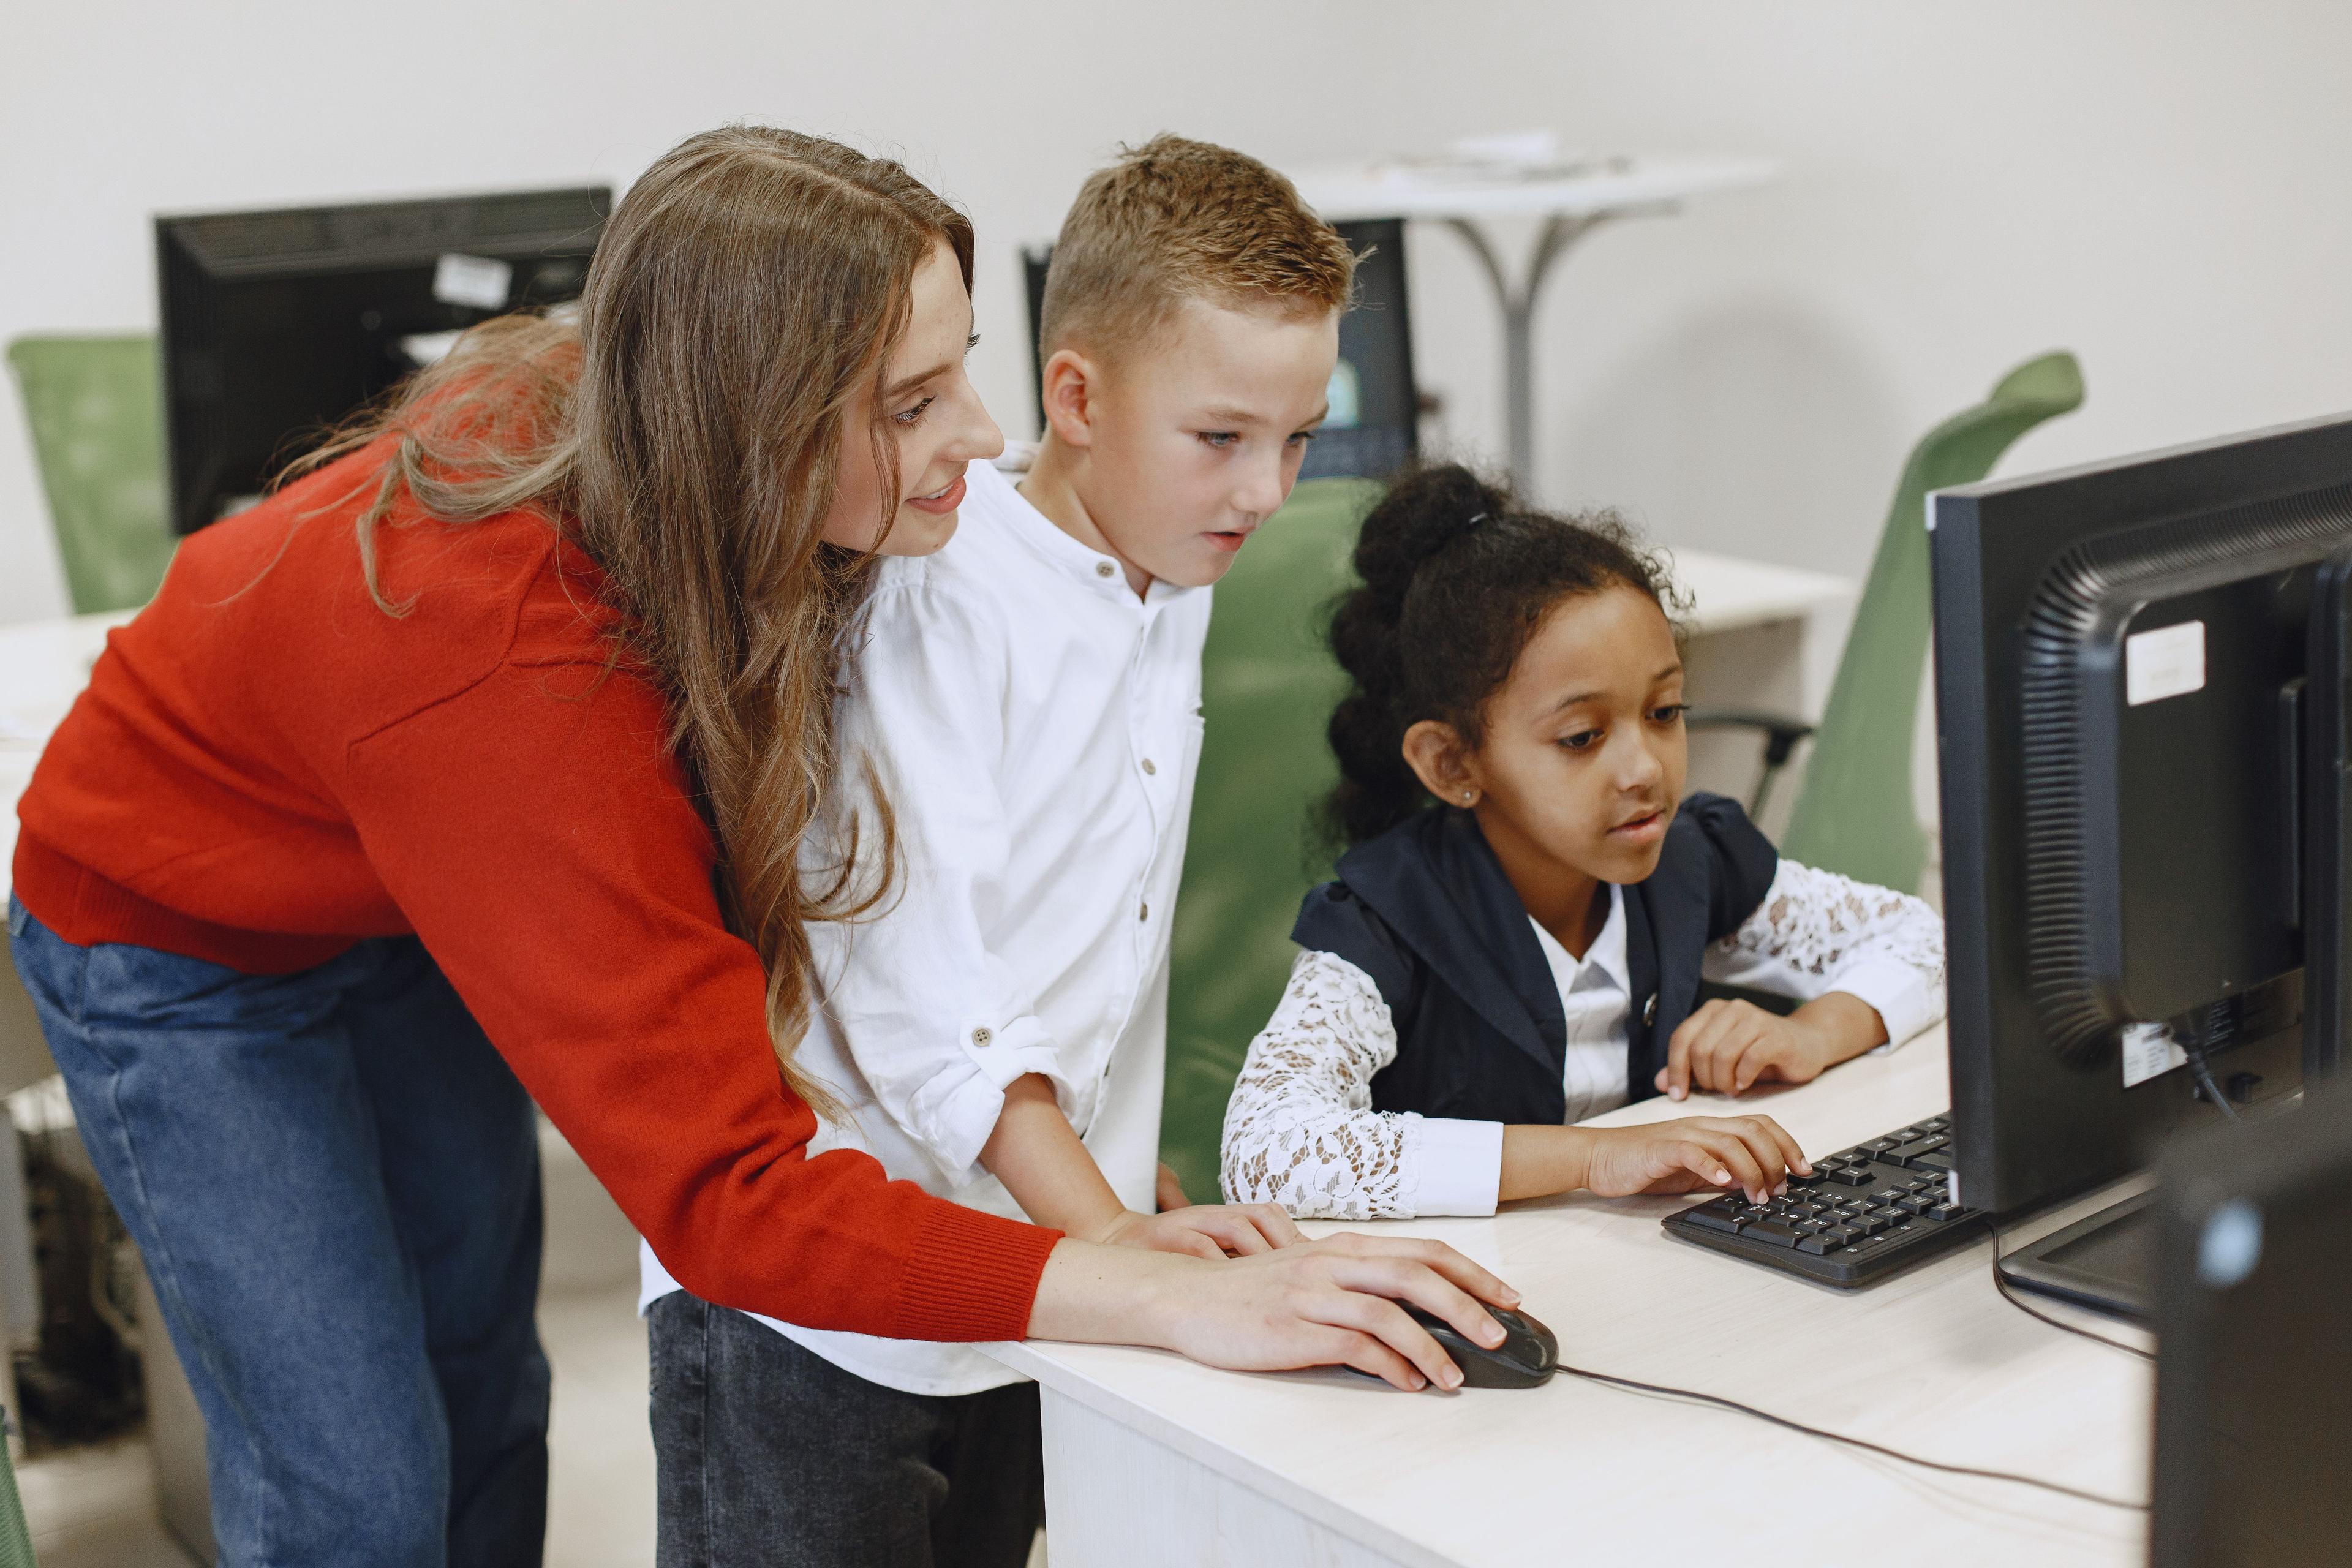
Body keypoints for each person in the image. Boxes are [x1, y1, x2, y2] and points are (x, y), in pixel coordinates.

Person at [7, 128, 1513, 1568]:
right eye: (910, 403)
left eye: (960, 370)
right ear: (756, 425)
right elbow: (730, 1195)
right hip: (176, 933)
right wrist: (1145, 1288)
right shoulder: (509, 674)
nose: (983, 440)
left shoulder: (668, 430)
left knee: (481, 1393)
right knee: (359, 1479)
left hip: (398, 875)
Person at [641, 133, 1355, 1568]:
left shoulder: (1165, 568)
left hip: (1014, 1273)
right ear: (1075, 396)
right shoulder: (930, 592)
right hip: (822, 1313)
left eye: (1298, 439)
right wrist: (1106, 1246)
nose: (1266, 490)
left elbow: (1099, 921)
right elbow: (928, 987)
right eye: (1221, 438)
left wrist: (1120, 1180)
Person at [1219, 464, 1947, 1220]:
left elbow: (1923, 937)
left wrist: (1813, 1032)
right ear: (1453, 763)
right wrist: (1596, 1156)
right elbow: (1265, 1150)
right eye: (1582, 736)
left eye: (1665, 711)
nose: (1643, 769)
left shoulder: (1690, 862)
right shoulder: (1386, 924)